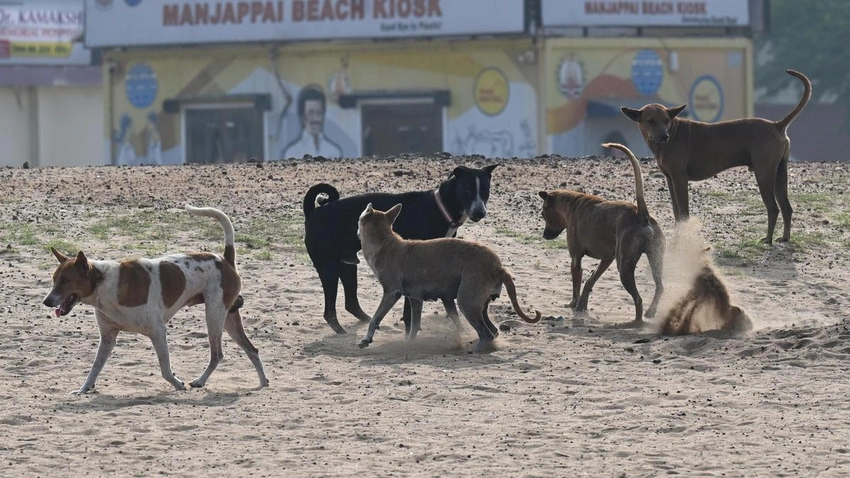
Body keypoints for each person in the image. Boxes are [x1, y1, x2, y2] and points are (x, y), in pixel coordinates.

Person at [281, 85, 343, 159]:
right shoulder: (292, 153)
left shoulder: (334, 151)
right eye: (311, 113)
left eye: (319, 113)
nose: (315, 118)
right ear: (302, 116)